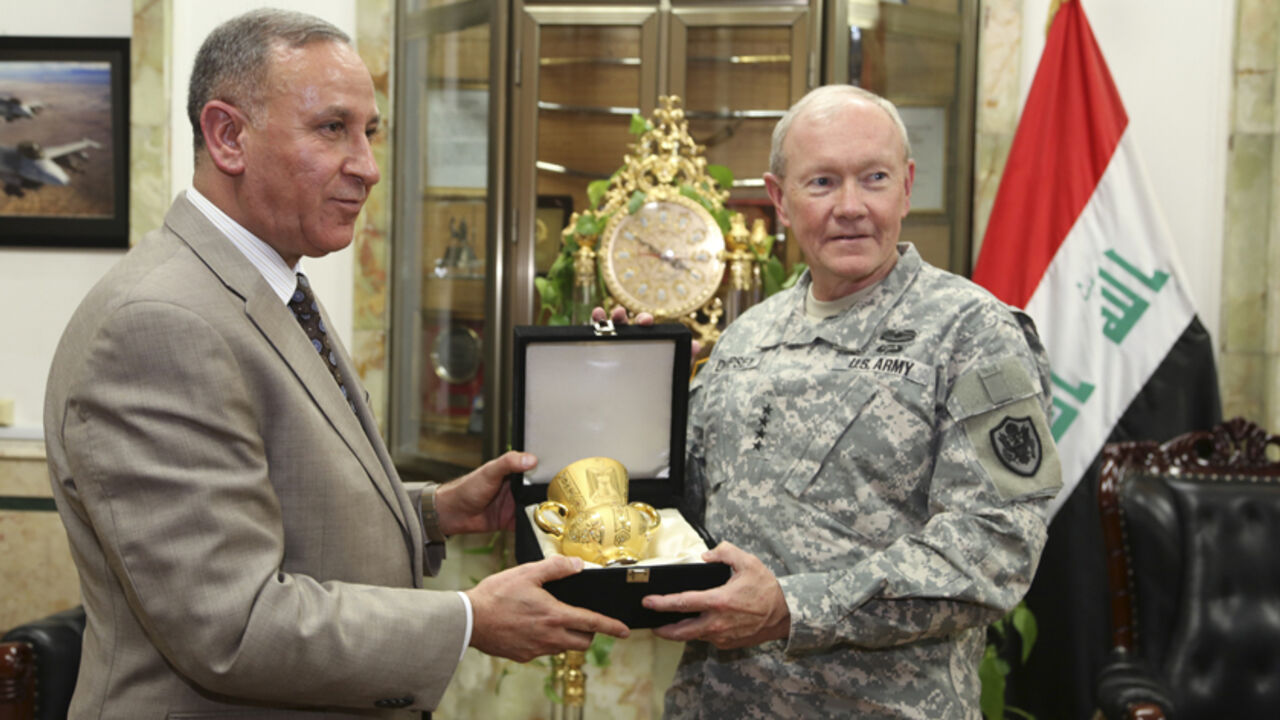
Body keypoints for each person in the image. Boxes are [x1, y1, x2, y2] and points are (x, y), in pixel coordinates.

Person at [42, 9, 626, 719]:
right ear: (228, 136)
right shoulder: (158, 324)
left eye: (370, 132)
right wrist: (469, 620)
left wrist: (434, 512)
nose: (369, 167)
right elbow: (234, 624)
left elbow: (281, 499)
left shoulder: (269, 287)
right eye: (332, 129)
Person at [636, 85, 1064, 718]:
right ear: (779, 198)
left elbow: (995, 545)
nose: (852, 207)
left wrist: (794, 608)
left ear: (907, 186)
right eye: (822, 183)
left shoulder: (973, 334)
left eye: (875, 178)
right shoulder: (745, 337)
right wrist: (632, 388)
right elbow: (682, 507)